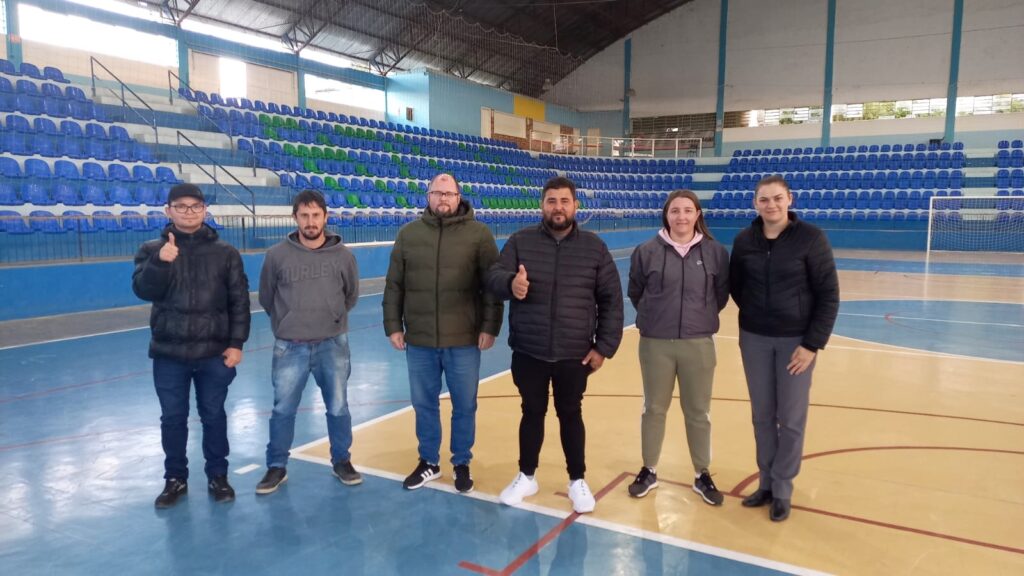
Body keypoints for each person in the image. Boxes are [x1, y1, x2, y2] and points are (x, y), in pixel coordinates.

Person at [486, 176, 624, 514]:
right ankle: (526, 475)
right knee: (531, 412)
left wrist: (603, 347)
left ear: (576, 206)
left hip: (574, 353)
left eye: (564, 201)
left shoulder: (594, 248)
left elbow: (611, 301)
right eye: (551, 201)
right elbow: (493, 277)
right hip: (529, 350)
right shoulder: (520, 241)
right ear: (542, 205)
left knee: (570, 414)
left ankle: (577, 480)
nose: (558, 207)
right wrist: (510, 284)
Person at [132, 183, 251, 509]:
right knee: (172, 418)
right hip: (169, 353)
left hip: (214, 353)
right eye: (181, 206)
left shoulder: (226, 253)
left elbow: (239, 302)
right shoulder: (151, 249)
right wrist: (160, 261)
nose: (188, 211)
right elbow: (143, 290)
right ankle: (175, 479)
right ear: (168, 210)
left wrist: (236, 343)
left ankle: (218, 475)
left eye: (195, 206)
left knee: (214, 416)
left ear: (205, 210)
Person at [382, 173, 503, 493]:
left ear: (459, 196)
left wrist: (489, 327)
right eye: (437, 193)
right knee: (424, 404)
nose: (443, 199)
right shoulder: (408, 235)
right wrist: (394, 325)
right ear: (428, 196)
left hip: (463, 339)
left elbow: (492, 287)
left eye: (449, 193)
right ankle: (429, 462)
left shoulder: (479, 235)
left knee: (465, 405)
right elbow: (394, 284)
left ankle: (461, 462)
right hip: (419, 340)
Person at [730, 175, 840, 522]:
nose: (771, 205)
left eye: (777, 198)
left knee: (790, 419)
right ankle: (764, 482)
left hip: (797, 344)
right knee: (762, 416)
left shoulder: (811, 239)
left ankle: (782, 488)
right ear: (755, 204)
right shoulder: (744, 240)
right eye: (764, 200)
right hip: (754, 339)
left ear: (789, 200)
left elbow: (829, 296)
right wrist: (756, 314)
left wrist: (811, 344)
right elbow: (736, 287)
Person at [626, 190, 730, 504]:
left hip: (699, 344)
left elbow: (720, 295)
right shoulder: (646, 251)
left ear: (697, 214)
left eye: (687, 210)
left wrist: (699, 318)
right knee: (653, 409)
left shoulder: (715, 252)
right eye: (675, 211)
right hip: (656, 343)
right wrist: (657, 317)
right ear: (666, 215)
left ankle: (702, 473)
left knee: (698, 412)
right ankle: (649, 469)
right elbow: (636, 292)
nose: (681, 217)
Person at [255, 190, 361, 494]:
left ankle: (342, 460)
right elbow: (266, 297)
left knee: (338, 407)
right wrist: (288, 321)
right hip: (290, 346)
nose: (311, 221)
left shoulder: (343, 256)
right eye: (304, 215)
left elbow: (350, 295)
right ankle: (276, 466)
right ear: (295, 218)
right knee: (283, 410)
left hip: (333, 344)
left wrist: (332, 318)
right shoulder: (276, 256)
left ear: (325, 217)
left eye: (316, 215)